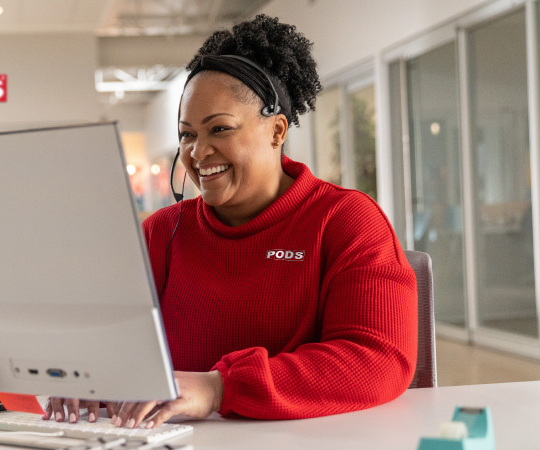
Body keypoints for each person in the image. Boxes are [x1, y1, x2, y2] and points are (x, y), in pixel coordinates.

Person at [43, 13, 417, 429]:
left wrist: (219, 387)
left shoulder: (345, 221)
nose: (198, 152)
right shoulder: (161, 232)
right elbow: (109, 338)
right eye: (186, 134)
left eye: (218, 129)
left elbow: (378, 358)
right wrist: (87, 373)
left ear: (276, 131)